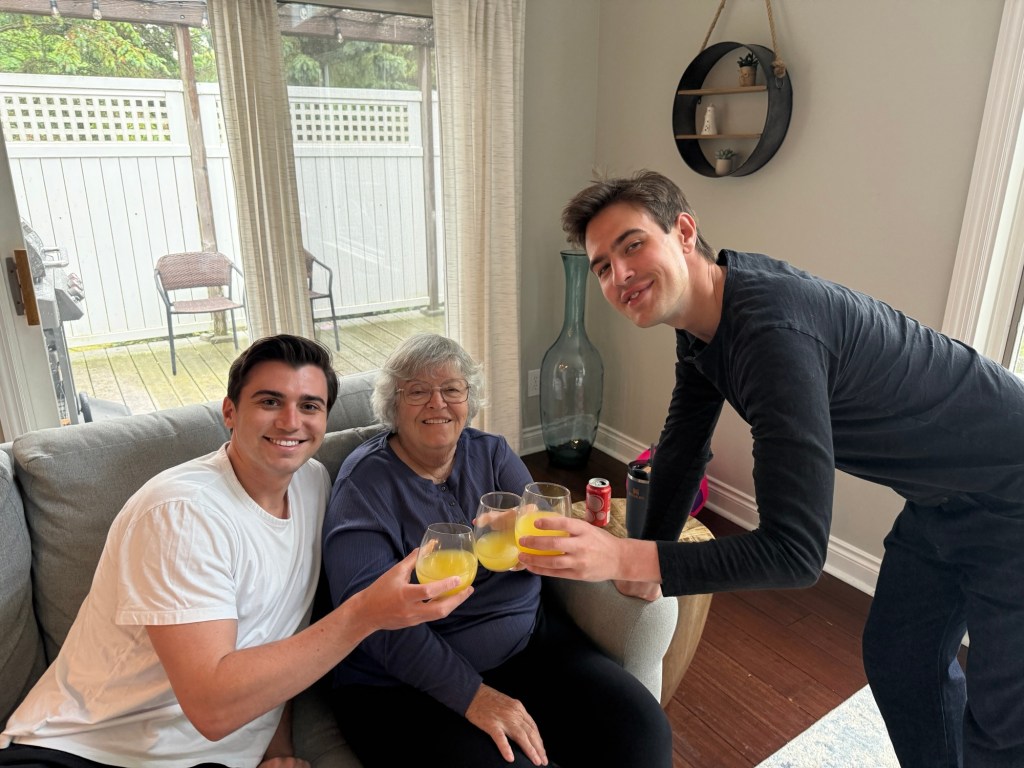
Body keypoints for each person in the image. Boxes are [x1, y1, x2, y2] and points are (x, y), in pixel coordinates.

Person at [515, 169, 1024, 768]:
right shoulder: (708, 315)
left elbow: (796, 552)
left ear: (683, 232)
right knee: (900, 655)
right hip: (943, 498)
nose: (619, 274)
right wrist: (652, 556)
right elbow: (681, 446)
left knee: (1002, 729)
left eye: (632, 245)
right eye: (602, 265)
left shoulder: (770, 331)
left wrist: (625, 557)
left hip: (1012, 496)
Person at [0, 334, 470, 768]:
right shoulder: (181, 513)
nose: (291, 421)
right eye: (270, 402)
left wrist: (278, 748)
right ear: (230, 412)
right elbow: (212, 706)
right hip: (89, 750)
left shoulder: (313, 485)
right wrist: (363, 613)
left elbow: (281, 626)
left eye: (310, 405)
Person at [322, 333, 671, 768]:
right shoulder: (364, 487)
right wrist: (472, 695)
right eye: (418, 391)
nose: (438, 403)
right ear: (393, 405)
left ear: (469, 399)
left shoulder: (491, 452)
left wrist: (616, 563)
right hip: (406, 687)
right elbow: (371, 623)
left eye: (452, 389)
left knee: (642, 735)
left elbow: (549, 531)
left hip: (530, 646)